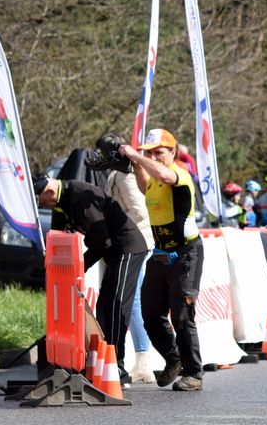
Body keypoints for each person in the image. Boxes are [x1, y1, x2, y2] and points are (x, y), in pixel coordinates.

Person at [34, 174, 148, 385]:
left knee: (116, 306)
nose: (44, 206)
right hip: (114, 252)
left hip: (128, 247)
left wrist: (81, 266)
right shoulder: (62, 199)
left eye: (42, 201)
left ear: (49, 193)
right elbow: (62, 232)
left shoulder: (78, 196)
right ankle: (104, 362)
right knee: (104, 306)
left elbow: (102, 241)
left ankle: (117, 367)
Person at [119, 128, 206, 391]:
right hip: (160, 255)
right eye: (151, 153)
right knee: (149, 313)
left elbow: (163, 174)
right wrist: (135, 162)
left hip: (185, 254)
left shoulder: (178, 172)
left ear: (173, 152)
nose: (155, 157)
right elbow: (146, 185)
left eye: (159, 152)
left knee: (181, 316)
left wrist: (138, 155)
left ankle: (194, 374)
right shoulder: (154, 179)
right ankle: (173, 358)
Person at [102, 132, 157, 385]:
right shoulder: (117, 174)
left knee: (132, 300)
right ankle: (142, 358)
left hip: (137, 244)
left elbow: (139, 211)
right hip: (130, 244)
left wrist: (119, 232)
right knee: (131, 299)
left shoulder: (125, 177)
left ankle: (144, 361)